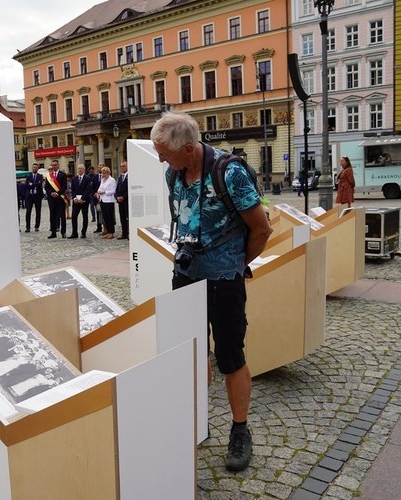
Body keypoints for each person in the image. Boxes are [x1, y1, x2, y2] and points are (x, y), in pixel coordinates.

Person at [151, 112, 272, 472]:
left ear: (188, 149)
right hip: (185, 274)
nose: (160, 160)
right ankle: (193, 420)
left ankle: (239, 431)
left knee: (230, 355)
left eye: (164, 153)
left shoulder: (229, 173)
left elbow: (262, 230)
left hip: (223, 280)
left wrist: (234, 262)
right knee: (189, 351)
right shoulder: (174, 171)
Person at [44, 159, 67, 239]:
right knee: (52, 215)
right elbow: (46, 187)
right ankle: (53, 232)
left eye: (55, 165)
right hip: (51, 198)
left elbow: (64, 186)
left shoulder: (63, 174)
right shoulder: (49, 175)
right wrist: (51, 193)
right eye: (52, 165)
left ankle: (63, 232)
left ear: (58, 165)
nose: (53, 167)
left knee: (62, 215)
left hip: (60, 198)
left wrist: (57, 193)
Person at [68, 164, 92, 239]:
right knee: (74, 216)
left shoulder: (87, 178)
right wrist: (74, 198)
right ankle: (74, 233)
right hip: (76, 201)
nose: (80, 170)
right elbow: (73, 189)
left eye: (81, 169)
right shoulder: (74, 179)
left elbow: (88, 189)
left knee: (85, 216)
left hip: (84, 201)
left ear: (84, 170)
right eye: (78, 169)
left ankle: (83, 232)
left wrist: (82, 198)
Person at [95, 166, 116, 239]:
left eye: (104, 173)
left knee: (110, 217)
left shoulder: (112, 180)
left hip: (109, 200)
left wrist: (105, 192)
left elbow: (113, 191)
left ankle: (111, 232)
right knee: (105, 217)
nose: (102, 175)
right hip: (102, 200)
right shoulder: (102, 179)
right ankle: (108, 231)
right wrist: (98, 193)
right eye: (102, 173)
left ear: (107, 173)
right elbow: (100, 188)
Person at [24, 163, 44, 232]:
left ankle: (37, 226)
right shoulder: (28, 176)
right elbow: (27, 185)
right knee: (28, 212)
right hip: (30, 196)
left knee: (38, 212)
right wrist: (35, 184)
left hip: (37, 196)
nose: (34, 168)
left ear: (37, 168)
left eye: (36, 167)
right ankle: (28, 227)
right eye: (33, 167)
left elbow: (40, 184)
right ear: (32, 168)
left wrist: (32, 184)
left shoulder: (40, 176)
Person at [115, 161, 129, 239]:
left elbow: (129, 189)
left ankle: (129, 232)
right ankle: (124, 233)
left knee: (128, 217)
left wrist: (123, 197)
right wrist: (117, 196)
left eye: (123, 166)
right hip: (120, 201)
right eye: (121, 166)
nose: (122, 168)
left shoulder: (129, 176)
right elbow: (117, 189)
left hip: (126, 200)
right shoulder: (120, 177)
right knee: (122, 217)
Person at [91, 163, 104, 233]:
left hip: (104, 197)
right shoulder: (95, 177)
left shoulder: (106, 177)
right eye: (98, 167)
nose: (99, 169)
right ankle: (99, 227)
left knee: (105, 213)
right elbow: (92, 187)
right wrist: (95, 194)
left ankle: (106, 227)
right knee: (98, 212)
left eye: (101, 167)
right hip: (97, 197)